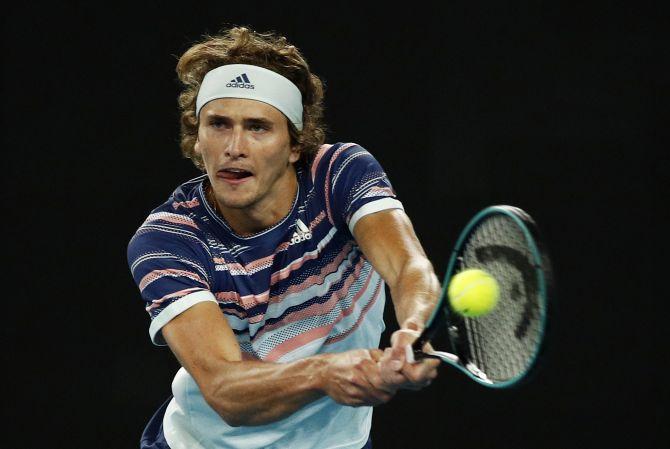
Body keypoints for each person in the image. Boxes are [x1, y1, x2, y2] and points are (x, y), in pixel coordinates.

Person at [127, 26, 441, 449]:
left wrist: (415, 328)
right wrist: (325, 373)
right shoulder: (169, 239)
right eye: (218, 124)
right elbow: (225, 390)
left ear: (295, 145)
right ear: (197, 138)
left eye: (258, 127)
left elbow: (408, 267)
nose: (234, 147)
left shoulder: (339, 175)